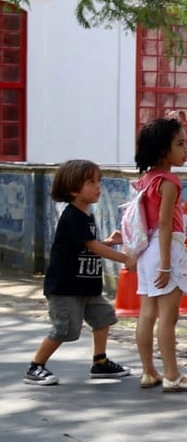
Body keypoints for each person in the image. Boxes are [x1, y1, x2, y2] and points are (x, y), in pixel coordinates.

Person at [24, 160, 136, 385]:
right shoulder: (73, 215)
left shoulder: (86, 215)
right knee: (65, 330)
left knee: (103, 317)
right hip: (66, 287)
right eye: (91, 182)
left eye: (99, 181)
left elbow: (86, 245)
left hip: (87, 286)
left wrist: (110, 242)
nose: (98, 187)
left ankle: (100, 361)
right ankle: (36, 366)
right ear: (73, 189)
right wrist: (124, 258)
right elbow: (92, 247)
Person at [133, 116, 187, 392]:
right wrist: (166, 264)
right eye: (180, 144)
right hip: (165, 248)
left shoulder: (145, 180)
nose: (186, 149)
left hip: (145, 251)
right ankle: (172, 374)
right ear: (164, 150)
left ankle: (148, 372)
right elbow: (165, 224)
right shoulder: (169, 182)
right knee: (168, 317)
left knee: (147, 313)